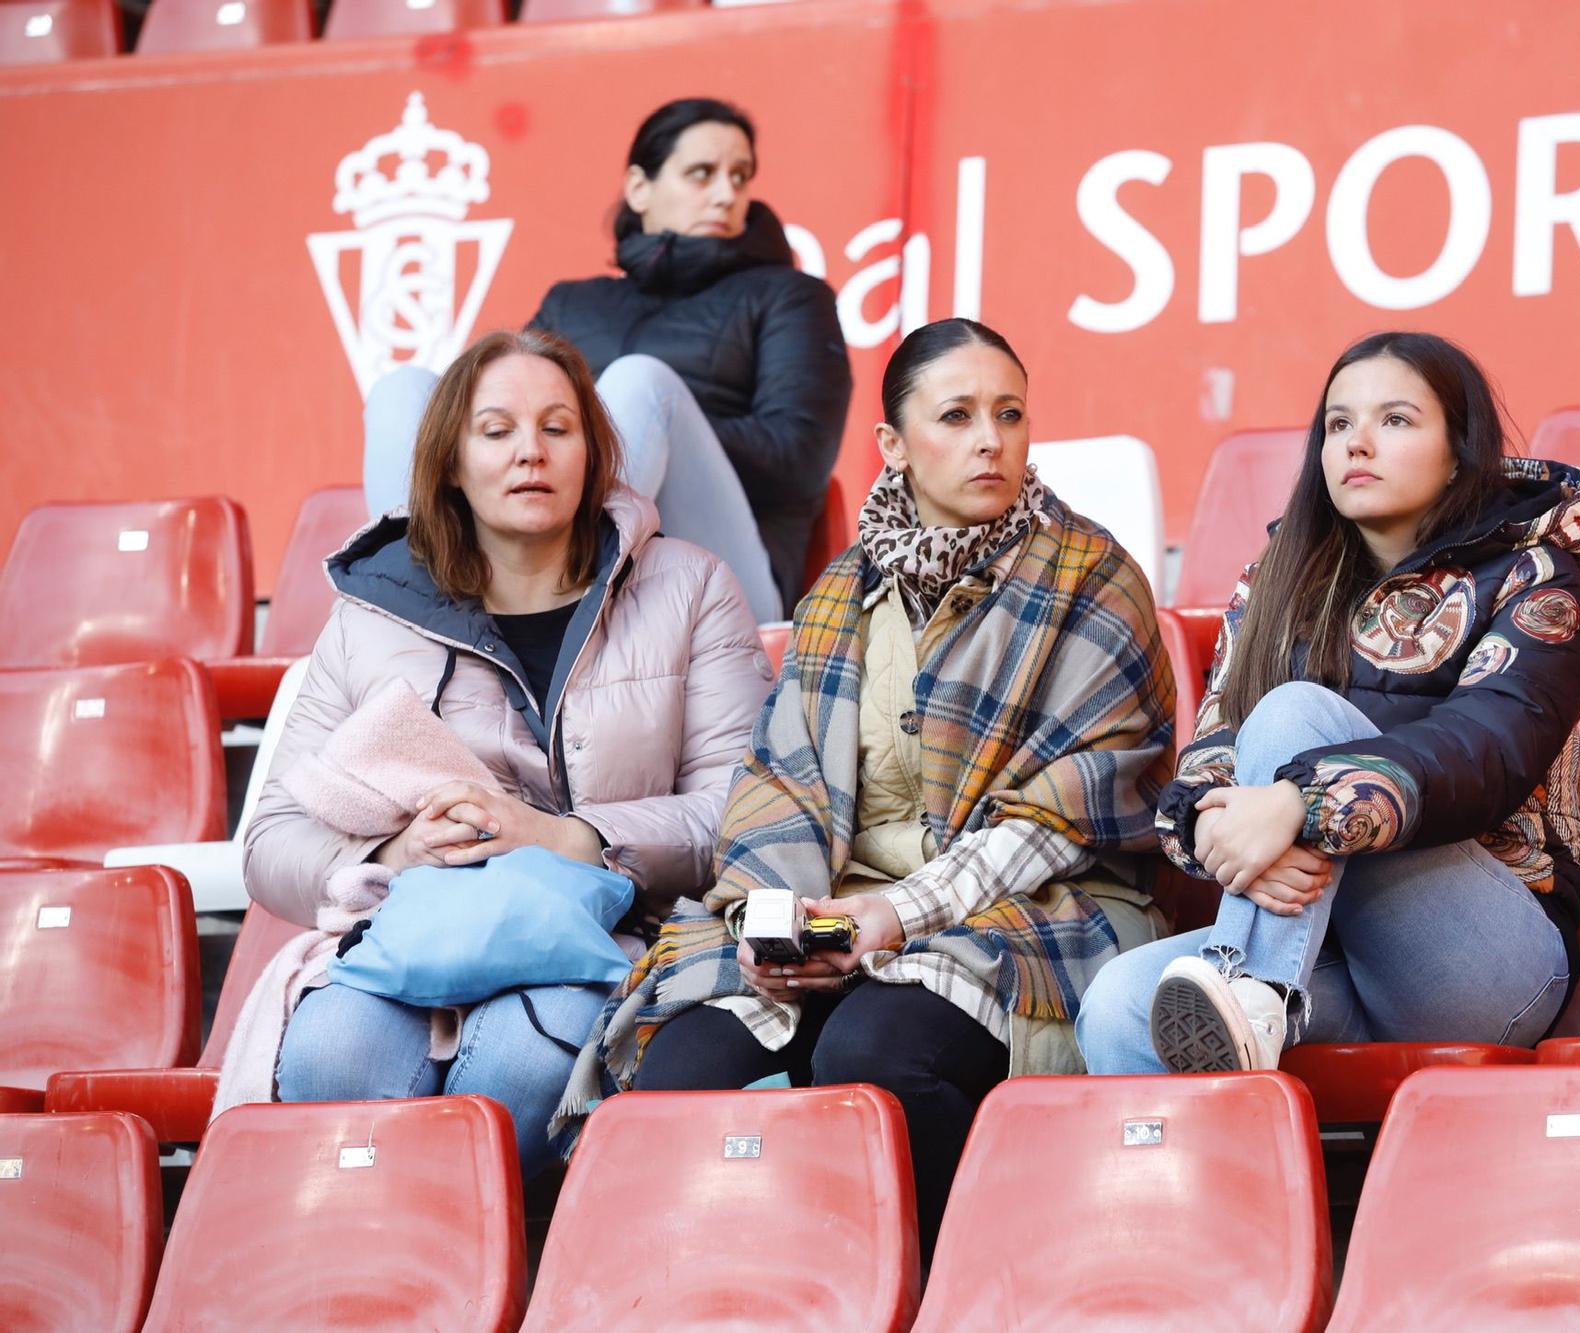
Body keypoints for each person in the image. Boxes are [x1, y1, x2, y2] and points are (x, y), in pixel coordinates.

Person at [558, 318, 1176, 1254]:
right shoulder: (842, 590)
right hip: (842, 916)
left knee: (875, 1052)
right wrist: (774, 926)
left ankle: (965, 1282)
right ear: (892, 446)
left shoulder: (1095, 578)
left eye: (1009, 414)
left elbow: (1061, 818)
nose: (989, 440)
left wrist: (893, 917)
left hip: (1038, 909)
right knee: (682, 1067)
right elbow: (779, 786)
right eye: (957, 415)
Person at [250, 328, 771, 1178]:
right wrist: (393, 854)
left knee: (523, 1071)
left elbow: (745, 814)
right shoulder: (372, 613)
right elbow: (272, 840)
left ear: (595, 451)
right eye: (496, 431)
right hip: (412, 928)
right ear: (451, 462)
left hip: (610, 935)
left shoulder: (690, 585)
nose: (530, 451)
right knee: (328, 1058)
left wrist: (565, 836)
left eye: (557, 427)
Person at [1076, 330, 1580, 1075]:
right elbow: (1207, 762)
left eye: (1395, 420)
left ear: (1459, 449)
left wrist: (1298, 807)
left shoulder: (1534, 572)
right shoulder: (1274, 584)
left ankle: (1249, 985)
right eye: (1337, 424)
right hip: (1322, 954)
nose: (1358, 443)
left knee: (1295, 715)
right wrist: (1224, 831)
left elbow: (1489, 746)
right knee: (1119, 1005)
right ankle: (1246, 1138)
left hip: (1481, 959)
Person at [364, 97, 851, 623]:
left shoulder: (791, 295)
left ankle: (560, 589)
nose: (726, 194)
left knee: (640, 382)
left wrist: (646, 425)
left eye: (740, 176)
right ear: (639, 189)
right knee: (403, 387)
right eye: (702, 173)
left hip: (725, 574)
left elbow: (798, 461)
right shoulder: (573, 303)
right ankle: (410, 604)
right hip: (541, 554)